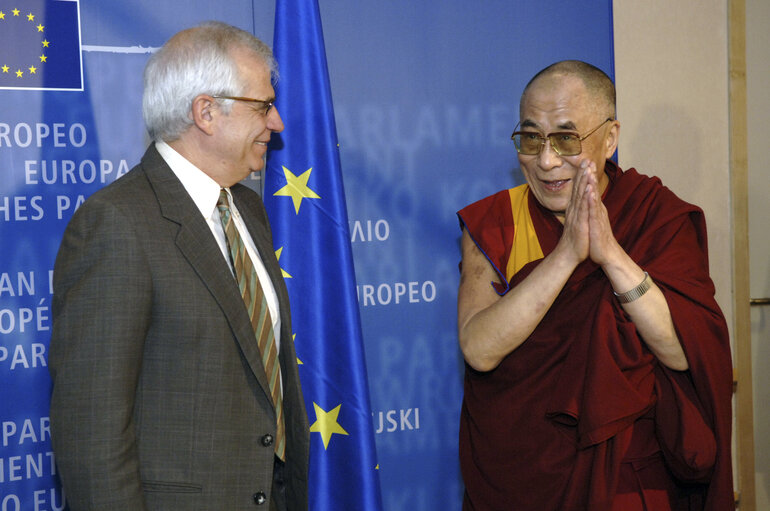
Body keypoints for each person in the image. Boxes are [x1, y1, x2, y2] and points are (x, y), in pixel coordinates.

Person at [48, 21, 309, 510]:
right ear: (206, 112)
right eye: (263, 106)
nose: (275, 123)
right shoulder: (117, 224)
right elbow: (91, 433)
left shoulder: (247, 210)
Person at [456, 60, 733, 511]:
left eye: (566, 138)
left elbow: (685, 352)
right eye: (530, 138)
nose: (546, 161)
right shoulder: (496, 223)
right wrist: (567, 255)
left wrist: (611, 255)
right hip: (519, 478)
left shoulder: (655, 217)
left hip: (626, 477)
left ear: (610, 138)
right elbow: (479, 348)